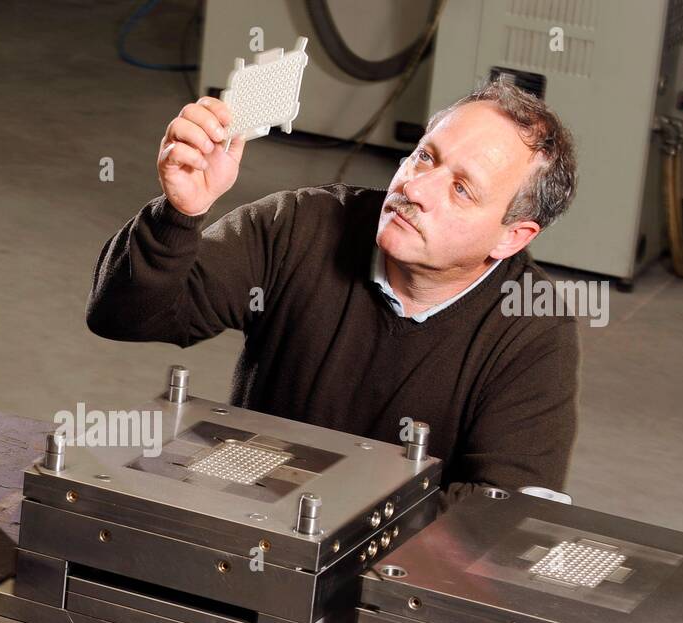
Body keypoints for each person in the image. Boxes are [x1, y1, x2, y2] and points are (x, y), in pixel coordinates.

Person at [87, 81, 580, 498]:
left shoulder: (532, 330)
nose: (416, 188)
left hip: (393, 580)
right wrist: (180, 214)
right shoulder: (301, 224)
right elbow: (124, 316)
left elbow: (504, 516)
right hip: (251, 524)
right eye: (425, 157)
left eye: (461, 188)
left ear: (512, 237)